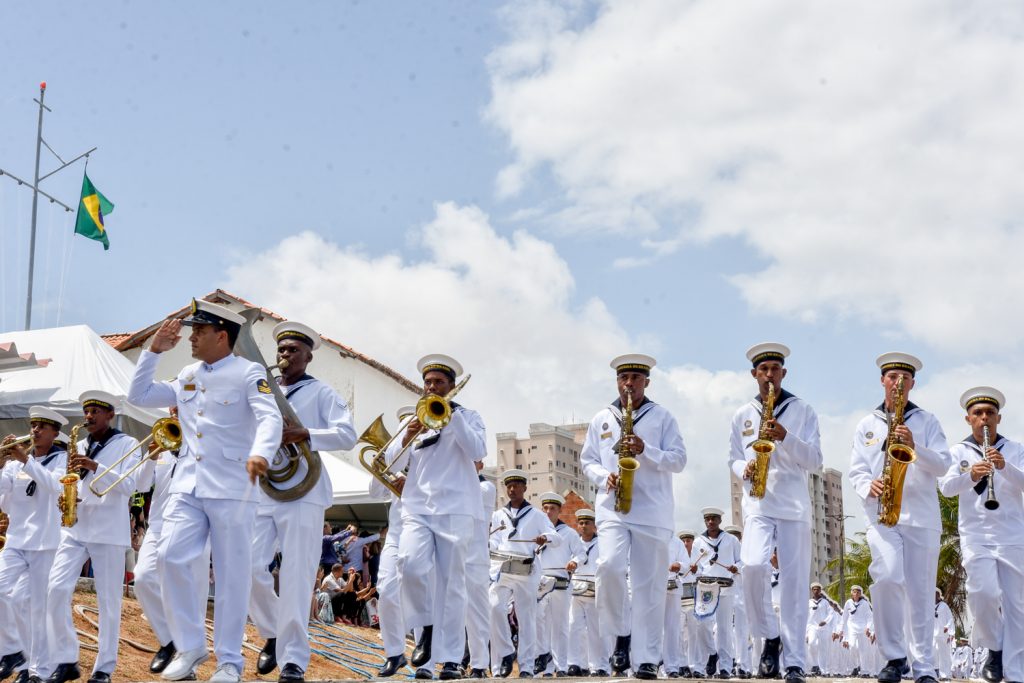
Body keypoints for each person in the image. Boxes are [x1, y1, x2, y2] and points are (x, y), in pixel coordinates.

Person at [127, 299, 283, 683]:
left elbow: (269, 417)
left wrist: (261, 453)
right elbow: (139, 395)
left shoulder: (249, 372)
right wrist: (152, 352)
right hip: (187, 485)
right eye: (192, 330)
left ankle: (229, 660)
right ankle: (190, 644)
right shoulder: (187, 372)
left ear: (221, 335)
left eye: (199, 331)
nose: (191, 337)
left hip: (233, 486)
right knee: (169, 557)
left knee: (232, 576)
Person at [248, 320, 357, 683]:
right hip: (265, 488)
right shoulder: (262, 390)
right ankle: (274, 634)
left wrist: (306, 432)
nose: (285, 355)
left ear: (308, 357)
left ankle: (294, 658)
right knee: (247, 568)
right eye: (281, 349)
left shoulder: (321, 393)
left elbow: (346, 435)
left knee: (296, 575)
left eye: (293, 349)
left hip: (305, 493)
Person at [580, 354, 687, 679]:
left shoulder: (663, 417)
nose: (629, 384)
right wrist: (603, 477)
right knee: (608, 567)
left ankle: (646, 660)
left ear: (646, 382)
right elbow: (588, 460)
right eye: (623, 377)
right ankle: (621, 637)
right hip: (614, 507)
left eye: (635, 378)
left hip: (653, 511)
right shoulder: (602, 418)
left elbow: (679, 460)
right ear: (617, 381)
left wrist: (647, 450)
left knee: (650, 586)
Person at [848, 352, 951, 683]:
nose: (898, 383)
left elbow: (944, 465)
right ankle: (894, 657)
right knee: (888, 577)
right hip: (882, 515)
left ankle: (924, 668)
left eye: (904, 378)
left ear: (912, 384)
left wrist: (915, 445)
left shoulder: (927, 421)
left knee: (921, 593)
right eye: (892, 377)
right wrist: (868, 484)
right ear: (883, 381)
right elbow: (856, 470)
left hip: (921, 517)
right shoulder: (866, 424)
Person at [729, 343, 822, 683]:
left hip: (794, 505)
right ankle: (769, 636)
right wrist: (744, 469)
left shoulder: (802, 410)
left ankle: (795, 661)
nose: (769, 375)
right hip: (757, 501)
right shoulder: (742, 414)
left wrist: (785, 437)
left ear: (784, 372)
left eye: (775, 369)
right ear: (754, 374)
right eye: (763, 369)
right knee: (752, 565)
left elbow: (815, 460)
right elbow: (733, 457)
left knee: (796, 585)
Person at [390, 354, 485, 681]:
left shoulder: (469, 417)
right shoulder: (413, 418)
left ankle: (450, 660)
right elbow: (389, 461)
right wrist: (406, 436)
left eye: (438, 383)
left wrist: (452, 417)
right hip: (417, 507)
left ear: (451, 387)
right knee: (410, 564)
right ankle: (427, 629)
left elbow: (477, 450)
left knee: (451, 585)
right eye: (428, 383)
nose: (431, 388)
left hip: (456, 509)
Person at [45, 391, 141, 683]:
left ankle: (104, 668)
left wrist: (95, 466)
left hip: (108, 531)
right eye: (86, 411)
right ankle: (66, 658)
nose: (89, 416)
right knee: (55, 590)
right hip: (75, 527)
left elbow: (131, 485)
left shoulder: (128, 444)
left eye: (96, 411)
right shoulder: (80, 444)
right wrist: (66, 495)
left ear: (111, 414)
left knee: (108, 602)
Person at [939, 387, 1024, 683]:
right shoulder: (957, 452)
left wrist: (1005, 467)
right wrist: (971, 475)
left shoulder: (1015, 449)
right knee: (982, 594)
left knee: (1017, 604)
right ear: (968, 419)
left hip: (1012, 535)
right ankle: (995, 648)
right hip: (975, 535)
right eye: (978, 413)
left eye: (989, 413)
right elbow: (946, 488)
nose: (984, 418)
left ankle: (1015, 671)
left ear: (998, 417)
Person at [133, 408, 209, 677]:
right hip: (159, 524)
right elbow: (141, 485)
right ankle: (169, 641)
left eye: (179, 408)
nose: (174, 413)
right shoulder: (162, 443)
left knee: (194, 594)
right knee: (142, 579)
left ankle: (190, 664)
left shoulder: (205, 440)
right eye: (172, 409)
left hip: (195, 525)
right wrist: (152, 457)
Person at [0, 407, 68, 683]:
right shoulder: (16, 463)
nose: (35, 430)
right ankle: (14, 653)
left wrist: (25, 461)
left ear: (55, 433)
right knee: (4, 593)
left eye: (42, 426)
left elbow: (56, 486)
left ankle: (36, 670)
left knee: (35, 606)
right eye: (33, 425)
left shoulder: (63, 460)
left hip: (45, 542)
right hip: (17, 539)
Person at [488, 470, 560, 678]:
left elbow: (555, 537)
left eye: (516, 485)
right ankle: (507, 652)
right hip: (503, 568)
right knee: (494, 607)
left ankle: (527, 666)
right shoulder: (498, 514)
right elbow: (494, 542)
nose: (512, 489)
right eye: (508, 486)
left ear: (524, 488)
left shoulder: (537, 515)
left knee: (527, 618)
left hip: (526, 570)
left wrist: (544, 537)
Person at [370, 405, 422, 678]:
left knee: (421, 589)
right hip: (398, 531)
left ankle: (425, 657)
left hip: (425, 528)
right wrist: (392, 476)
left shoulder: (429, 453)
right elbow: (375, 491)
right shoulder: (394, 454)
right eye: (403, 427)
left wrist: (411, 481)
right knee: (386, 588)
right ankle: (394, 653)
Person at [534, 492, 582, 677]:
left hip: (561, 582)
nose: (548, 512)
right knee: (540, 623)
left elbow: (581, 553)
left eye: (552, 509)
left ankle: (561, 666)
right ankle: (545, 666)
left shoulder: (568, 533)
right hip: (539, 583)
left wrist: (574, 562)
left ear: (559, 510)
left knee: (560, 626)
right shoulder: (536, 531)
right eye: (545, 508)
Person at [693, 508, 741, 679]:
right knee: (702, 624)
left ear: (720, 520)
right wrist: (694, 568)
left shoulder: (732, 540)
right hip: (706, 588)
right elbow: (696, 566)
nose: (710, 522)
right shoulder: (699, 541)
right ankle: (711, 654)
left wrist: (737, 568)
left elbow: (740, 560)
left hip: (726, 587)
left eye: (714, 518)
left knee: (724, 629)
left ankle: (726, 668)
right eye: (707, 519)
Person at [466, 461, 497, 678]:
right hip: (454, 554)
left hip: (476, 557)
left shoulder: (486, 487)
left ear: (480, 464)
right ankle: (455, 660)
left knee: (476, 613)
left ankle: (479, 664)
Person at [566, 509, 602, 677]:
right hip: (576, 589)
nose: (584, 526)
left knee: (595, 630)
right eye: (581, 523)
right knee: (574, 627)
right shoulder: (574, 543)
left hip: (595, 590)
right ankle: (575, 663)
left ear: (594, 526)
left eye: (587, 523)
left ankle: (597, 665)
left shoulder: (602, 543)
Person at [677, 530, 704, 679]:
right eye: (684, 540)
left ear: (693, 542)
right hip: (679, 600)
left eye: (689, 540)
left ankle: (695, 666)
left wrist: (696, 570)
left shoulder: (698, 555)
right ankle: (682, 664)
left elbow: (705, 571)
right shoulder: (676, 553)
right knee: (679, 633)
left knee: (694, 634)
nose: (686, 543)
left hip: (694, 600)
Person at [841, 586, 874, 677]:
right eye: (854, 592)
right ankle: (855, 667)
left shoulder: (864, 603)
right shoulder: (848, 603)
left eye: (858, 592)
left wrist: (868, 627)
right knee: (852, 647)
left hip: (862, 628)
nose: (856, 594)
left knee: (863, 650)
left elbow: (869, 616)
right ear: (852, 593)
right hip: (852, 628)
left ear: (860, 594)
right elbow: (844, 618)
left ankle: (865, 671)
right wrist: (841, 631)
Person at [807, 583, 835, 677]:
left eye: (818, 589)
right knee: (811, 643)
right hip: (812, 627)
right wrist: (806, 632)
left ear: (820, 591)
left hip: (823, 628)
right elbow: (806, 617)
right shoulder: (809, 602)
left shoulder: (825, 602)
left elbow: (831, 613)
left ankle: (824, 670)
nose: (816, 591)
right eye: (814, 589)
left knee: (823, 649)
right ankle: (815, 665)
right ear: (812, 590)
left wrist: (825, 621)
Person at [933, 589, 953, 680]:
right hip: (933, 634)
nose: (934, 596)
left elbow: (950, 618)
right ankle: (935, 673)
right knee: (934, 654)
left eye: (936, 594)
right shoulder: (930, 606)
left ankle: (945, 675)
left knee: (944, 655)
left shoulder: (944, 606)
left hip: (942, 633)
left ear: (939, 595)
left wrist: (947, 627)